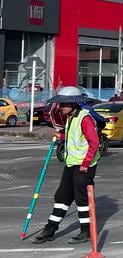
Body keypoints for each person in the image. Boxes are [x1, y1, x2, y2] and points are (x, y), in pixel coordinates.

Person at [31, 91, 101, 244]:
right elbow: (74, 137)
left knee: (81, 198)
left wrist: (85, 164)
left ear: (73, 104)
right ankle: (50, 229)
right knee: (62, 196)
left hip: (84, 165)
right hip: (71, 163)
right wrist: (61, 136)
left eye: (64, 104)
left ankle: (86, 231)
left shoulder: (84, 118)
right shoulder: (71, 118)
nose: (61, 107)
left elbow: (94, 142)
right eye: (60, 104)